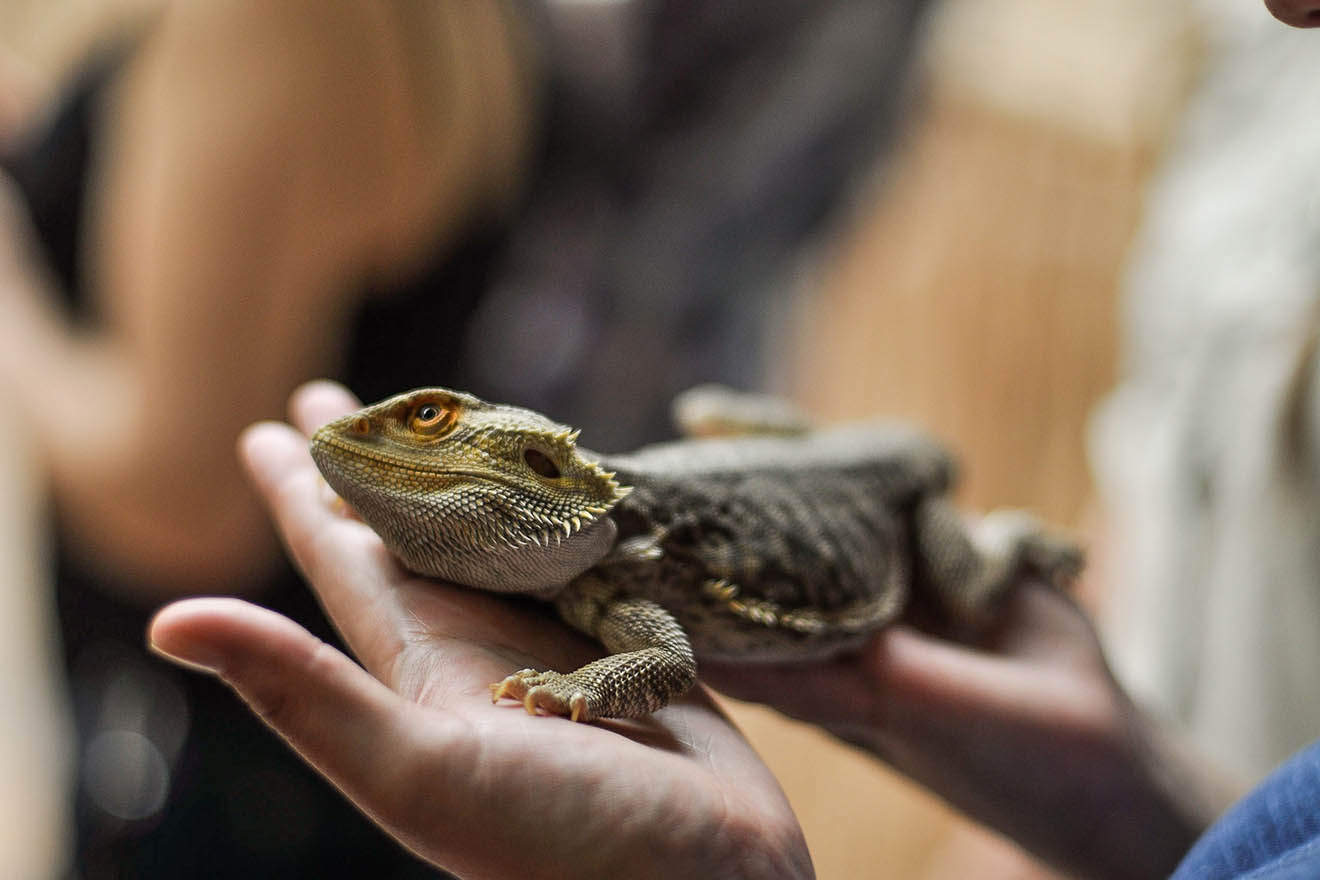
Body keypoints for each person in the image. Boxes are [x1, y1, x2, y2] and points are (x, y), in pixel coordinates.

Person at [148, 3, 1320, 878]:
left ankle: (1001, 544)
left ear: (547, 472)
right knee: (715, 409)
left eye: (435, 428)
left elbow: (655, 663)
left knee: (966, 578)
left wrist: (572, 691)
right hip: (794, 470)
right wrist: (1125, 789)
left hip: (890, 495)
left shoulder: (624, 582)